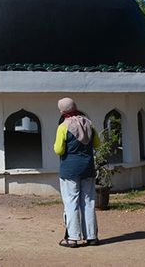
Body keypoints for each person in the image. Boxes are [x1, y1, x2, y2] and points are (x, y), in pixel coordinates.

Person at [54, 97, 100, 247]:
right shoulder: (89, 124)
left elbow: (58, 150)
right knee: (88, 201)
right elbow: (97, 144)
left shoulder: (63, 126)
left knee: (71, 202)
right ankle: (91, 236)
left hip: (70, 170)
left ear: (62, 110)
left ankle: (72, 238)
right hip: (88, 168)